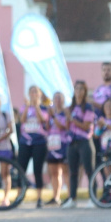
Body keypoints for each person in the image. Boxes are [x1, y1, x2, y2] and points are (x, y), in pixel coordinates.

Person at [63, 81, 96, 209]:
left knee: (89, 171)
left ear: (85, 91)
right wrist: (67, 118)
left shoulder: (88, 107)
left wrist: (72, 119)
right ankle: (72, 198)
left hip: (84, 141)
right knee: (73, 172)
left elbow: (86, 126)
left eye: (81, 89)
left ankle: (92, 198)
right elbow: (67, 127)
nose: (79, 91)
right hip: (72, 141)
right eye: (77, 89)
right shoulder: (70, 107)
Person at [19, 85, 49, 208]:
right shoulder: (24, 107)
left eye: (36, 92)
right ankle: (19, 195)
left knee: (38, 170)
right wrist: (27, 106)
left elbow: (43, 119)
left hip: (39, 142)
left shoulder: (44, 108)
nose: (33, 94)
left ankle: (39, 198)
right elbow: (22, 120)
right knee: (21, 169)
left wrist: (36, 106)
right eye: (31, 92)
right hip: (25, 142)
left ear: (40, 94)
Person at [45, 92, 70, 206]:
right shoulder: (51, 113)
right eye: (55, 98)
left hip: (63, 143)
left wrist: (54, 116)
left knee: (65, 171)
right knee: (54, 172)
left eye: (60, 98)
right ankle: (56, 196)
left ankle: (70, 195)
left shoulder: (66, 112)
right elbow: (47, 127)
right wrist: (49, 116)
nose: (57, 100)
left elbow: (63, 126)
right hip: (52, 144)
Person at [0, 94, 14, 207]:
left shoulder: (5, 115)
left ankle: (6, 198)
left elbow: (11, 130)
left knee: (5, 173)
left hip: (4, 147)